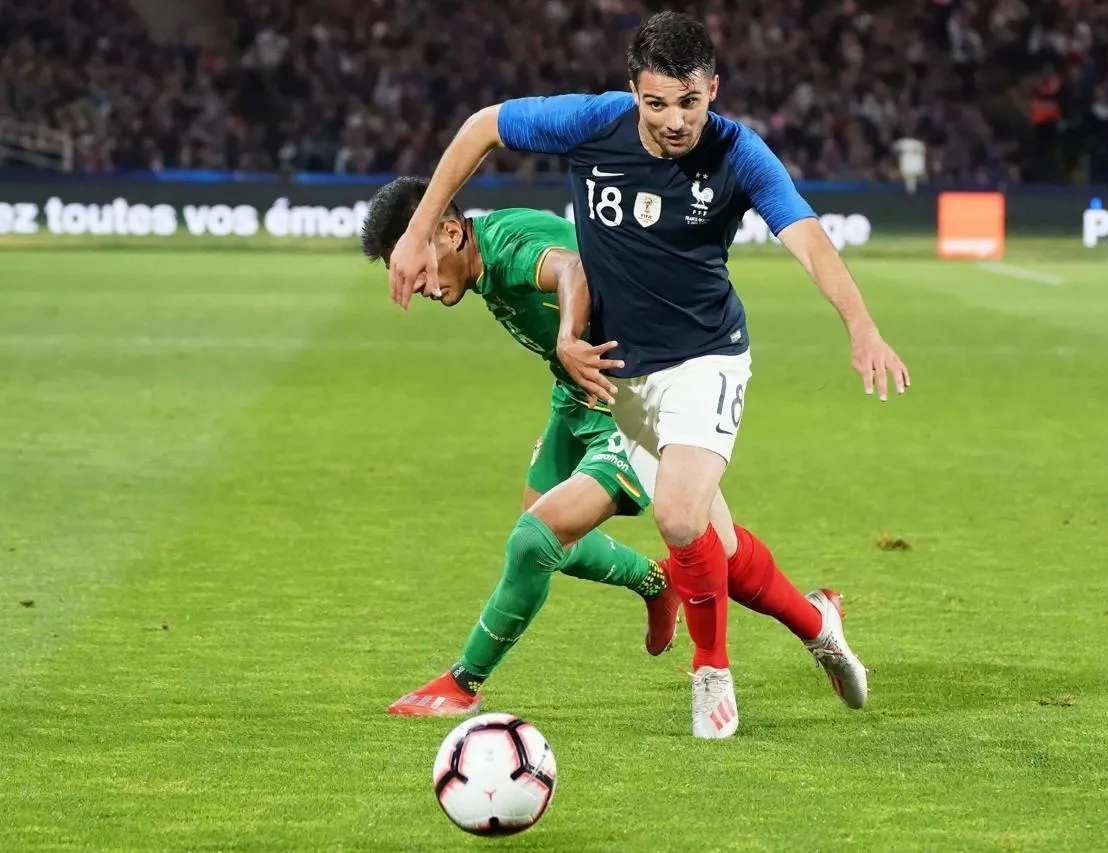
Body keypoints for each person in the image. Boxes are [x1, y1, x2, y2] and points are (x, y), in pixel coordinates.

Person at [387, 13, 910, 739]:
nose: (674, 121)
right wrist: (417, 230)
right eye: (657, 103)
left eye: (689, 102)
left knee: (678, 517)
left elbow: (808, 238)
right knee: (719, 551)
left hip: (707, 358)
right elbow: (482, 126)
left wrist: (861, 324)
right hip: (627, 380)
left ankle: (711, 671)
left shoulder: (738, 152)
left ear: (712, 90)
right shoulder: (592, 123)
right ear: (634, 91)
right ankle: (818, 623)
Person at [361, 178, 680, 716]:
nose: (416, 284)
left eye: (415, 264)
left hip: (635, 398)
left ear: (450, 233)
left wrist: (568, 339)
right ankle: (657, 581)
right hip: (578, 394)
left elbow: (574, 267)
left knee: (535, 541)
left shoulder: (507, 248)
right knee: (547, 538)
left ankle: (463, 682)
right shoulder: (481, 260)